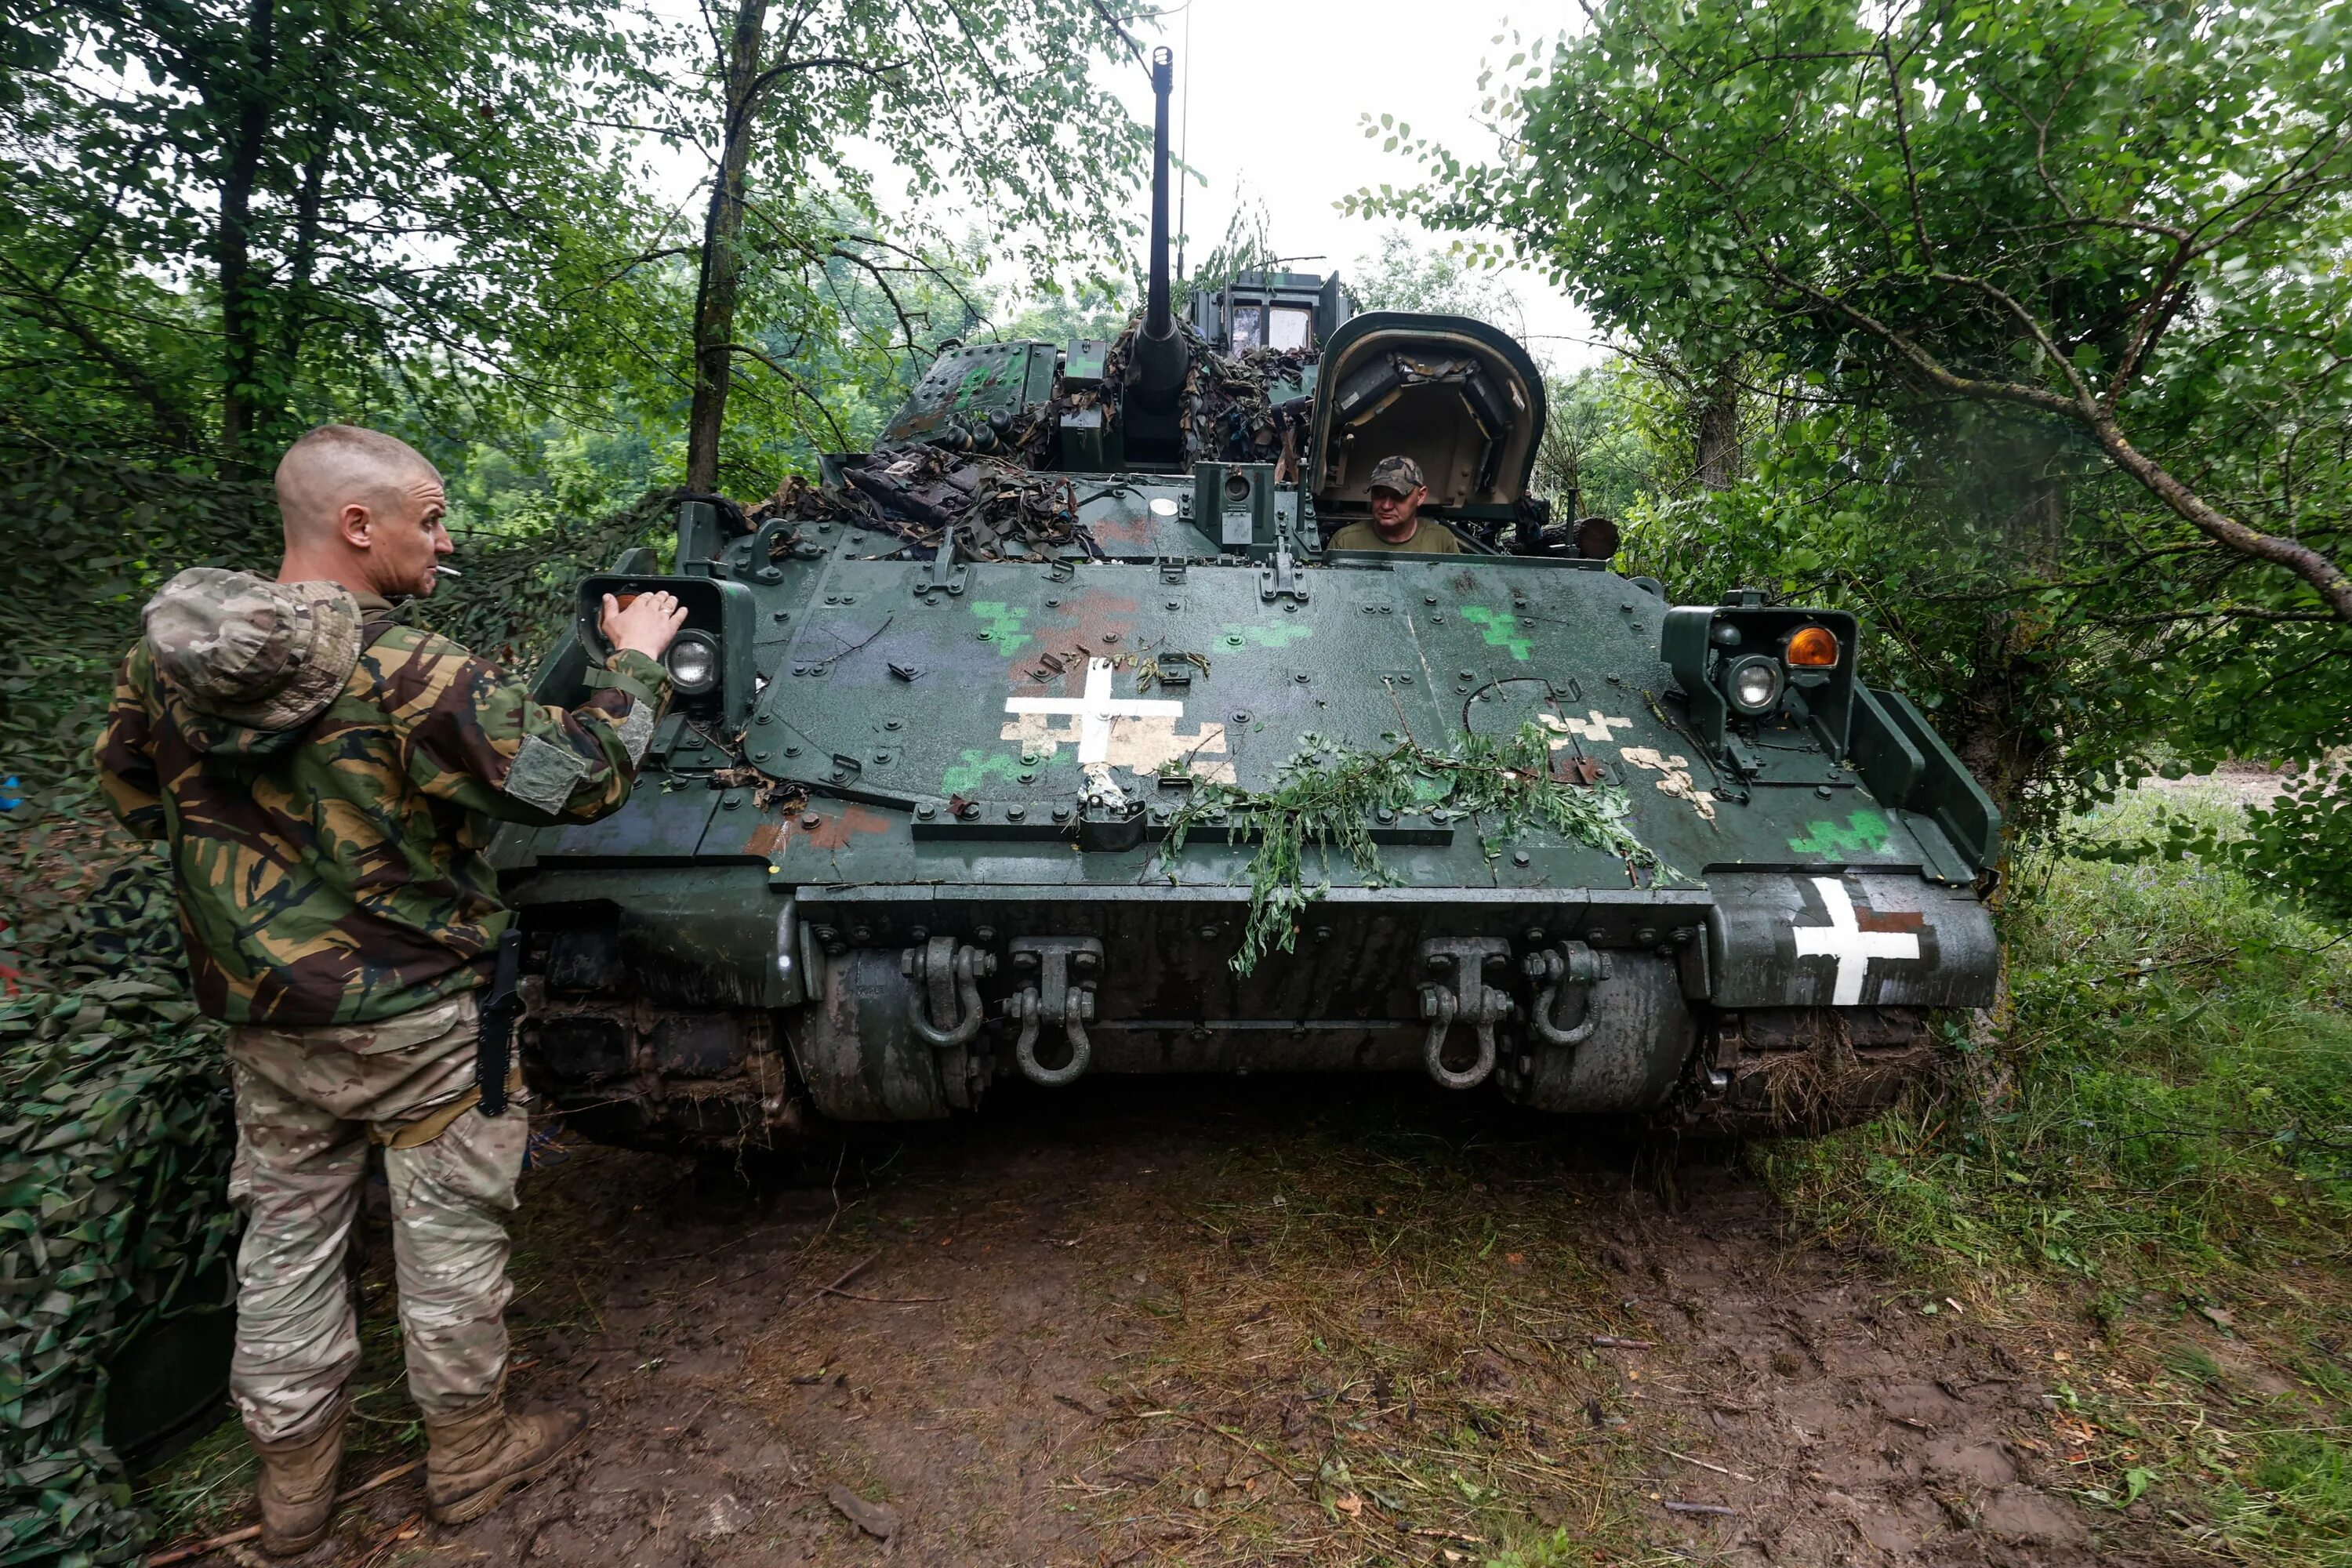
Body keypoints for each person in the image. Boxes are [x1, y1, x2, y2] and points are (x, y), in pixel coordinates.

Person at [94, 425, 688, 1553]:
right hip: (416, 1008)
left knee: (285, 1240)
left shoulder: (160, 665)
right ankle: (469, 1456)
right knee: (451, 1234)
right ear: (356, 526)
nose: (444, 537)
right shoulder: (412, 668)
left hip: (263, 1016)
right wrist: (636, 661)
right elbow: (576, 779)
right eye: (429, 517)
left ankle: (292, 1493)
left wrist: (249, 905)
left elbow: (132, 796)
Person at [1322, 455, 1464, 554]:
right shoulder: (1345, 542)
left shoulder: (1441, 541)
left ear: (1420, 496)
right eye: (1379, 495)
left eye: (1398, 496)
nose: (1386, 506)